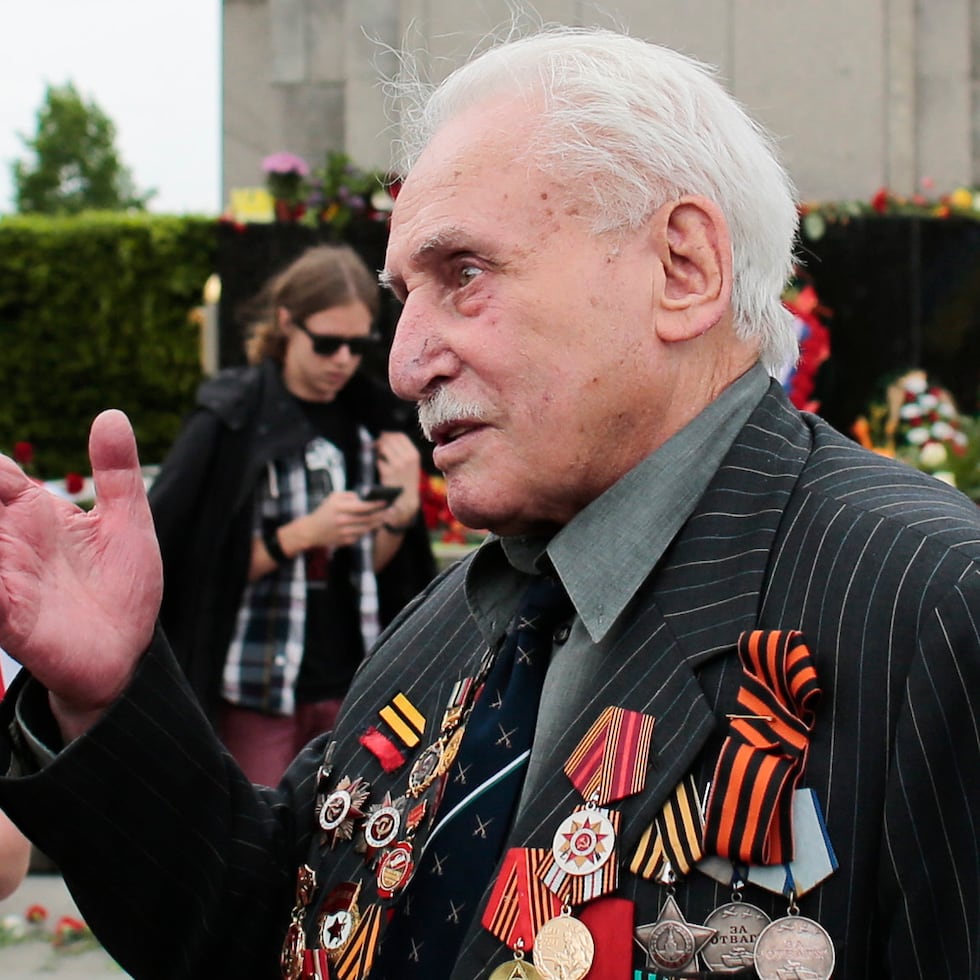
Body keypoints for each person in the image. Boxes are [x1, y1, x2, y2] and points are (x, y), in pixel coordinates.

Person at [0, 24, 977, 980]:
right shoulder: (460, 612)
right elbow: (268, 921)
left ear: (681, 269)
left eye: (461, 274)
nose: (400, 360)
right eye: (401, 297)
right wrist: (107, 694)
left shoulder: (932, 608)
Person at [147, 243, 436, 785]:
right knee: (252, 843)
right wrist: (301, 535)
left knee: (343, 846)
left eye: (357, 345)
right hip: (256, 686)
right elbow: (183, 559)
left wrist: (400, 509)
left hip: (351, 682)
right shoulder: (232, 418)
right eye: (327, 344)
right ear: (287, 323)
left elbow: (375, 568)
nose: (343, 361)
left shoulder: (369, 417)